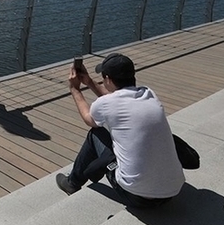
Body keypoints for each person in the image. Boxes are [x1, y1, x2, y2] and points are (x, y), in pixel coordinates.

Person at [55, 53, 185, 208]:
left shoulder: (105, 103)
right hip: (173, 191)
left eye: (103, 78)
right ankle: (74, 181)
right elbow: (116, 99)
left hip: (138, 197)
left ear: (108, 79)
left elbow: (89, 119)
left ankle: (72, 183)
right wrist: (89, 82)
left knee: (96, 134)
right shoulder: (148, 93)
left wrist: (75, 89)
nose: (102, 81)